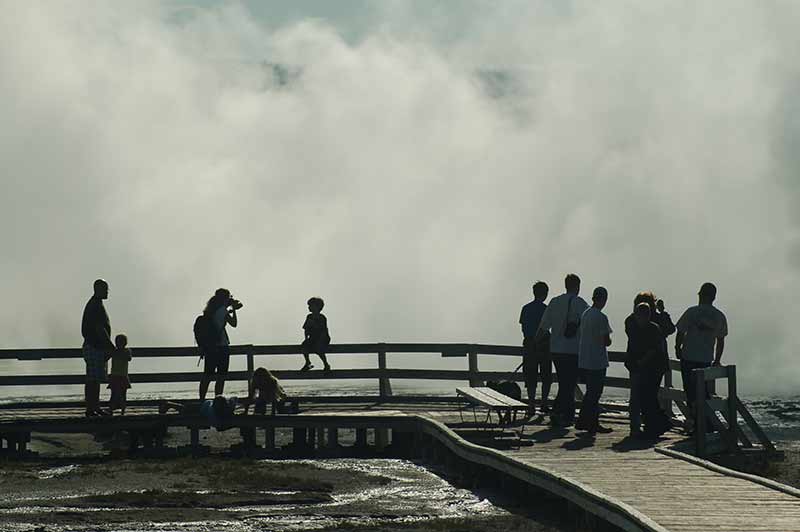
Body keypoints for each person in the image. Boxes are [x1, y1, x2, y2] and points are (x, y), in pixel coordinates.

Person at [535, 274, 588, 427]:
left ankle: (563, 414)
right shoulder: (580, 303)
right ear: (577, 286)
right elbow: (588, 324)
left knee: (565, 382)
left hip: (556, 350)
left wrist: (534, 343)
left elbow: (544, 327)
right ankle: (562, 414)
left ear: (566, 285)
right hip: (573, 350)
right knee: (569, 383)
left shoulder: (554, 302)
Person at [675, 282, 728, 413]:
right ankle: (706, 423)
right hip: (705, 359)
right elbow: (720, 340)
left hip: (688, 357)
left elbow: (680, 332)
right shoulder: (719, 316)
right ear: (713, 297)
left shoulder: (691, 312)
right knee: (703, 392)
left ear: (701, 295)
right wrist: (717, 360)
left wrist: (677, 348)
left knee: (690, 392)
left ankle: (697, 423)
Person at [625, 303, 671, 439]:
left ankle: (653, 426)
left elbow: (654, 350)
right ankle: (648, 427)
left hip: (651, 369)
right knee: (643, 398)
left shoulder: (652, 329)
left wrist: (641, 361)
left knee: (648, 397)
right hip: (640, 367)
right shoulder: (635, 327)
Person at [575, 287, 613, 434]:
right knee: (595, 393)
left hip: (585, 358)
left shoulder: (585, 314)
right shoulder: (601, 317)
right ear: (604, 299)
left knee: (590, 392)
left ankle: (584, 421)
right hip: (597, 360)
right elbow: (606, 341)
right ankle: (591, 423)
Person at [199, 288, 242, 400]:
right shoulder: (223, 310)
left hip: (211, 347)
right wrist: (234, 310)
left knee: (207, 376)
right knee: (221, 377)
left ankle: (201, 400)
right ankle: (218, 401)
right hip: (222, 347)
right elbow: (234, 324)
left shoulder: (210, 310)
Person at [81, 279, 115, 417]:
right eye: (105, 289)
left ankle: (94, 407)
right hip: (95, 346)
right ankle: (92, 408)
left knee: (93, 379)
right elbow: (99, 328)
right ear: (97, 289)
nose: (107, 292)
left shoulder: (95, 304)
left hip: (94, 346)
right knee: (93, 380)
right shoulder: (96, 306)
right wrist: (110, 346)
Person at [519, 281, 551, 416]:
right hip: (544, 346)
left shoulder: (526, 308)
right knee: (546, 376)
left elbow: (524, 328)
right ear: (545, 294)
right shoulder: (546, 309)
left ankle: (531, 404)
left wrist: (531, 340)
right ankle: (543, 403)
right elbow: (548, 327)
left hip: (529, 346)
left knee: (531, 377)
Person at [300, 297, 331, 372]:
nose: (309, 307)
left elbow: (323, 331)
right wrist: (306, 338)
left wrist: (321, 340)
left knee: (319, 349)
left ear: (318, 307)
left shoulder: (322, 318)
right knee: (304, 346)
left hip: (323, 338)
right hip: (313, 338)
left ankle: (326, 364)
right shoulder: (309, 316)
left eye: (311, 305)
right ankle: (307, 362)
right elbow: (306, 329)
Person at [108, 333, 132, 415]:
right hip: (116, 376)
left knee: (122, 394)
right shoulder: (115, 351)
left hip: (121, 376)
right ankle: (112, 409)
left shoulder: (125, 351)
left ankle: (122, 410)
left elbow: (129, 358)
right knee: (114, 394)